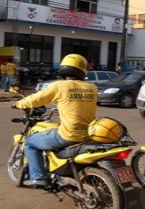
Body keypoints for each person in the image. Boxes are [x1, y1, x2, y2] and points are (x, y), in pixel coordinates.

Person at [14, 54, 98, 187]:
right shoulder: (92, 87)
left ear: (64, 69)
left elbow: (37, 99)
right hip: (90, 133)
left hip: (69, 134)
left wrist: (19, 103)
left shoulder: (60, 86)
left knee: (30, 142)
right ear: (82, 70)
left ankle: (38, 177)